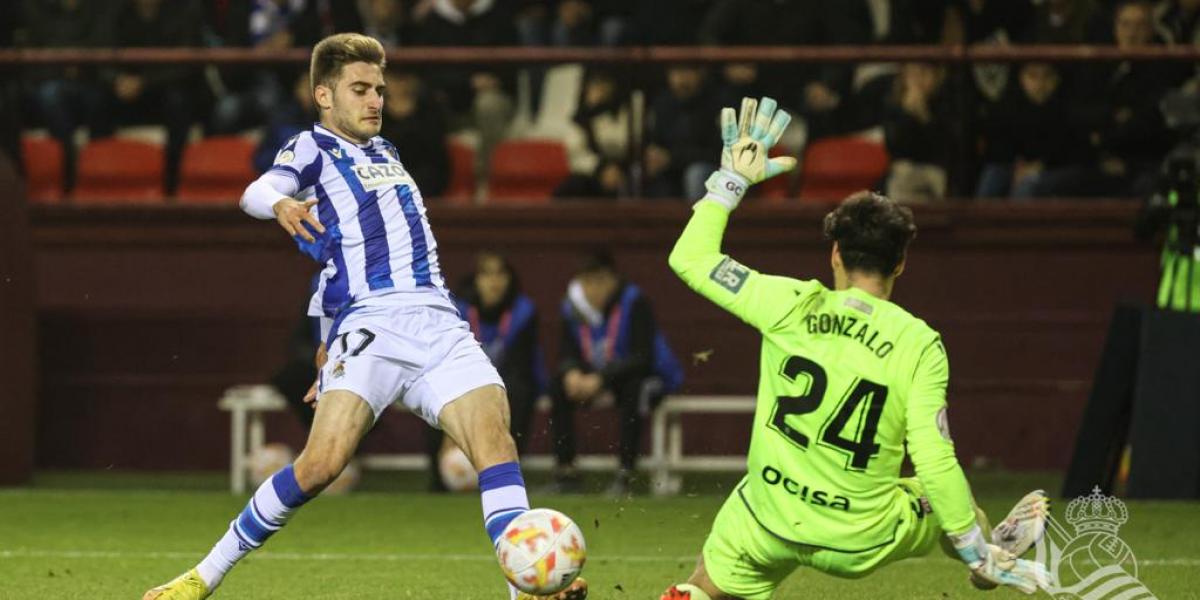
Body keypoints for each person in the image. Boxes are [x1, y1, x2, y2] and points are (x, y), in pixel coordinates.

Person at [142, 33, 586, 600]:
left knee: (495, 443)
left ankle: (527, 589)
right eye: (360, 89)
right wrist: (280, 204)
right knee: (320, 465)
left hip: (439, 323)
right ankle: (204, 575)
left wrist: (324, 342)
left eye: (379, 88)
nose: (376, 100)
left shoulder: (388, 153)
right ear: (324, 95)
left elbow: (337, 265)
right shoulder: (311, 147)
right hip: (373, 326)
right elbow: (256, 191)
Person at [659, 96, 1051, 599]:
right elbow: (934, 459)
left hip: (769, 518)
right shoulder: (919, 343)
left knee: (706, 576)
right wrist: (971, 546)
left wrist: (730, 182)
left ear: (835, 254)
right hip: (860, 536)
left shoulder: (788, 303)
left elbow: (690, 258)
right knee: (941, 497)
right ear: (900, 263)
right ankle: (984, 558)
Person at [547, 250, 683, 496]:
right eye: (587, 282)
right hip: (597, 376)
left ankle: (625, 472)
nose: (593, 290)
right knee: (559, 386)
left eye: (599, 281)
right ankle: (566, 472)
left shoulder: (634, 302)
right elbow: (567, 351)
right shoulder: (573, 307)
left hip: (640, 376)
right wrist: (571, 372)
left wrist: (601, 378)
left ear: (613, 280)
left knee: (635, 388)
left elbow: (642, 357)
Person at [426, 251, 546, 491]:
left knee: (519, 392)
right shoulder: (456, 311)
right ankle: (439, 478)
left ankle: (508, 475)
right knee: (433, 393)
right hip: (462, 381)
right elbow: (445, 361)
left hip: (508, 382)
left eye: (500, 274)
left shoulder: (523, 312)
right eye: (487, 274)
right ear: (476, 280)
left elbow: (522, 365)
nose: (494, 281)